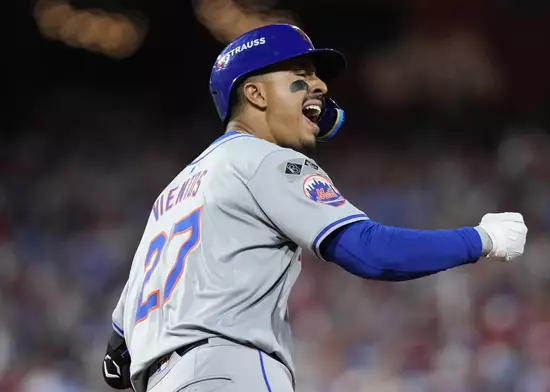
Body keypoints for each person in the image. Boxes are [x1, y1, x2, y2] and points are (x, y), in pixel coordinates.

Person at [101, 24, 528, 392]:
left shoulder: (171, 195)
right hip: (230, 373)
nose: (320, 86)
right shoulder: (264, 159)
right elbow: (368, 251)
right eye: (300, 76)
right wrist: (481, 239)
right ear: (255, 94)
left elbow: (116, 356)